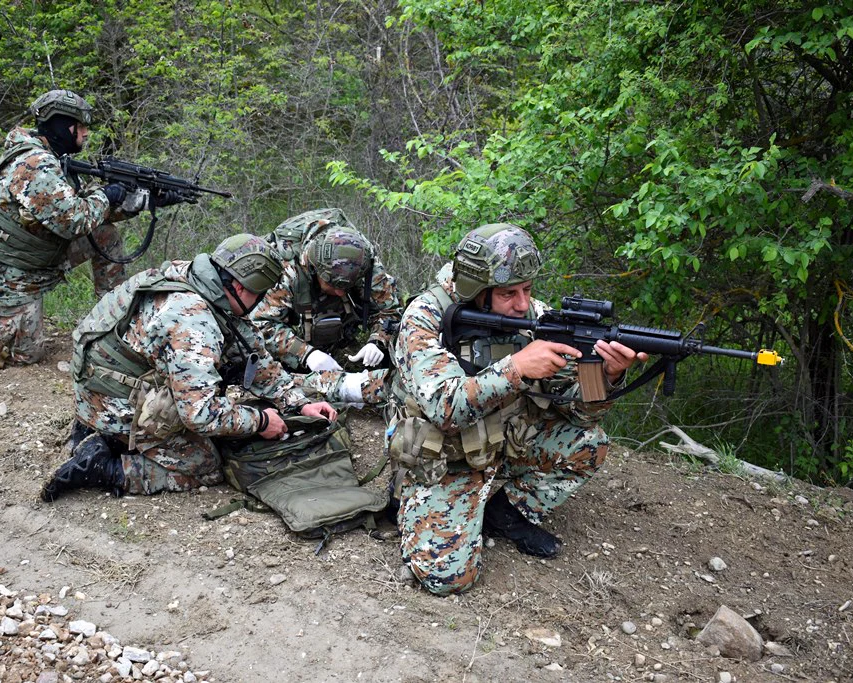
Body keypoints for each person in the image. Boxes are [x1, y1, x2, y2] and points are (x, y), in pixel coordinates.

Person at [387, 223, 648, 596]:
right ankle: (417, 497)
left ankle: (501, 507)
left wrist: (606, 375)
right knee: (447, 579)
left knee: (590, 444)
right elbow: (446, 407)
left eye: (527, 289)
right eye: (508, 293)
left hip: (504, 444)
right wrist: (517, 369)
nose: (523, 304)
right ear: (475, 289)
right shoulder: (426, 318)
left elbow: (580, 414)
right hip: (443, 459)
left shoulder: (534, 319)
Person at [41, 233, 337, 501]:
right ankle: (103, 467)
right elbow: (199, 414)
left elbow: (251, 354)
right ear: (237, 285)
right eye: (257, 294)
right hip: (110, 400)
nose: (259, 303)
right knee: (205, 465)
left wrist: (299, 403)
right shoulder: (193, 321)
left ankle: (104, 432)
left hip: (100, 383)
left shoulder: (198, 278)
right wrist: (260, 421)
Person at [0, 89, 188, 366]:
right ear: (60, 125)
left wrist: (147, 200)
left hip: (39, 253)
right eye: (79, 126)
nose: (85, 133)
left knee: (104, 235)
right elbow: (74, 221)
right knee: (24, 354)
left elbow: (91, 213)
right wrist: (107, 195)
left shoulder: (53, 158)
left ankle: (111, 323)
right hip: (9, 268)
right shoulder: (34, 164)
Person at [251, 209, 402, 405]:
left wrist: (378, 340)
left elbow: (389, 310)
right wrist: (306, 353)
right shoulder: (286, 269)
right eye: (333, 285)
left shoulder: (363, 260)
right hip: (294, 328)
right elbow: (261, 325)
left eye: (346, 286)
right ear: (315, 270)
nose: (340, 292)